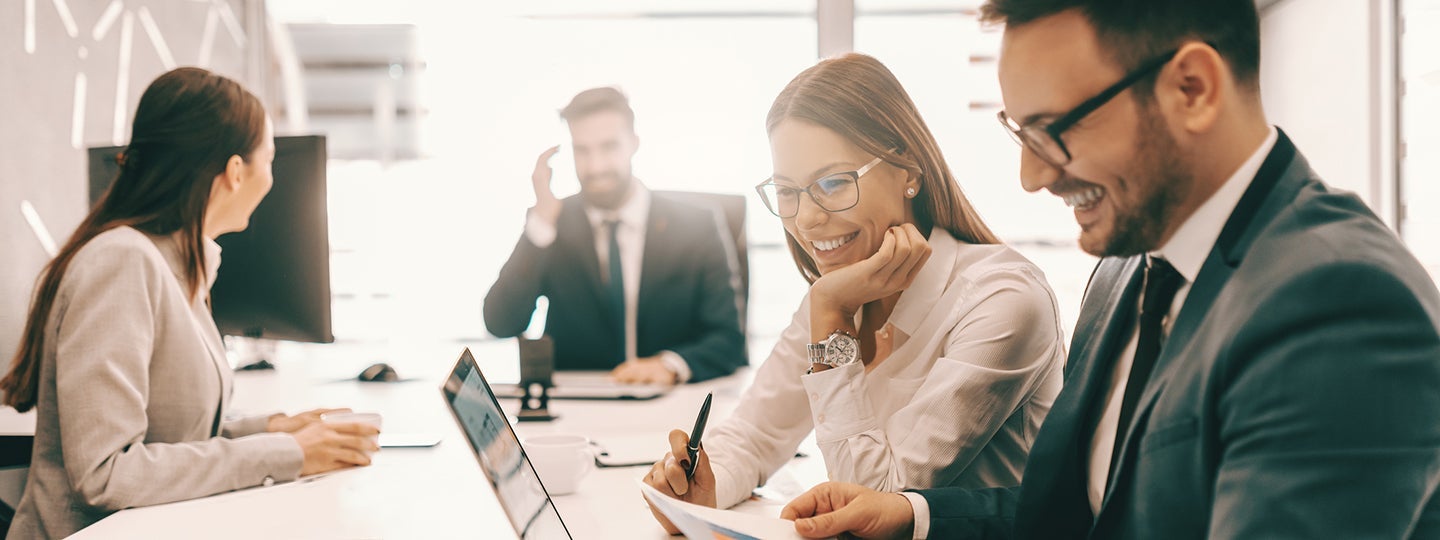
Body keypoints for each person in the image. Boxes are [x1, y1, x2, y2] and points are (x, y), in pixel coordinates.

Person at [780, 1, 1440, 538]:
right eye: (1021, 134)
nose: (1031, 175)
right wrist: (912, 515)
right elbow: (1096, 512)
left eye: (1053, 129)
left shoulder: (1340, 304)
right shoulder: (1127, 268)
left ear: (1192, 89)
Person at [642, 53, 1067, 534]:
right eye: (787, 191)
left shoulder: (1000, 300)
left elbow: (876, 497)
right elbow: (758, 434)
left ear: (908, 171)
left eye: (833, 182)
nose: (806, 219)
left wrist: (831, 318)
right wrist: (701, 491)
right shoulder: (840, 292)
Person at [0, 67, 379, 539]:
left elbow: (174, 442)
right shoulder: (122, 262)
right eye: (270, 159)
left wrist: (275, 431)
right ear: (236, 171)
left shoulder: (179, 266)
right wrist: (287, 455)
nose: (272, 178)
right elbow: (106, 474)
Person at [483, 87, 746, 384]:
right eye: (582, 150)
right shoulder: (552, 224)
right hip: (578, 410)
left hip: (670, 403)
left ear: (633, 143)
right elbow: (500, 322)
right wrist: (541, 225)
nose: (595, 166)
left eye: (608, 147)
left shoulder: (697, 225)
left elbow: (728, 339)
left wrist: (669, 366)